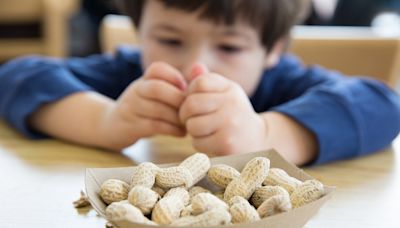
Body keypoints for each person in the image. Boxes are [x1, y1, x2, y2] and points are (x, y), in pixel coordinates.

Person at [0, 0, 399, 166]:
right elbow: (17, 76)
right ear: (139, 31)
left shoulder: (284, 82)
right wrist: (105, 120)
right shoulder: (129, 75)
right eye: (169, 40)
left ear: (272, 48)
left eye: (229, 46)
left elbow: (382, 104)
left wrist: (263, 133)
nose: (196, 66)